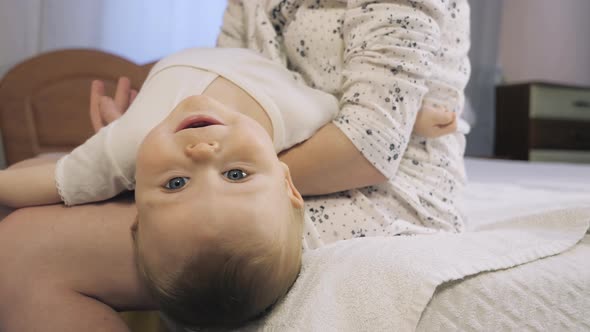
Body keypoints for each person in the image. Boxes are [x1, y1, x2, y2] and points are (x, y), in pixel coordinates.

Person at [0, 1, 470, 331]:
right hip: (280, 150)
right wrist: (151, 134)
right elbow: (242, 72)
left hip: (376, 189)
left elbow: (368, 146)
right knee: (38, 172)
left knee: (21, 249)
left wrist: (163, 172)